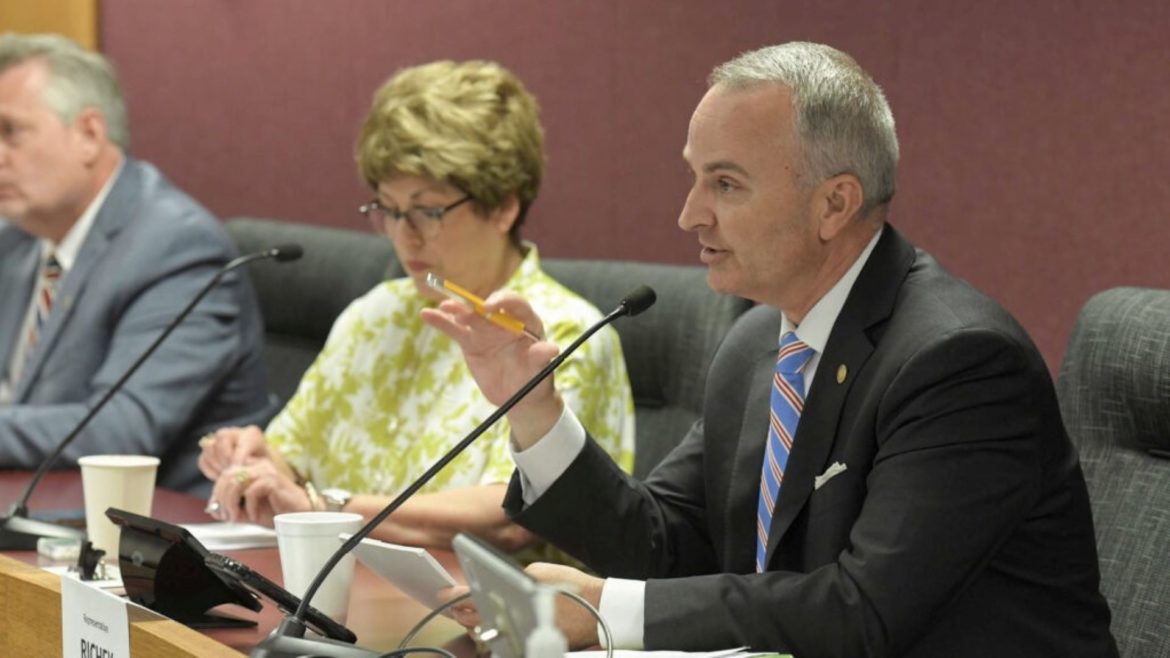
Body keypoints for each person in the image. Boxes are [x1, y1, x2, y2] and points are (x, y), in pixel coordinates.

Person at [426, 42, 1118, 656]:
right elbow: (662, 544)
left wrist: (604, 609)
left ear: (833, 204)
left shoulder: (958, 362)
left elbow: (862, 614)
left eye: (725, 184)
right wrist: (534, 410)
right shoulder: (761, 337)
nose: (689, 213)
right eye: (695, 178)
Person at [198, 60, 635, 554]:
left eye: (428, 210)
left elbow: (512, 516)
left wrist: (327, 507)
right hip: (340, 593)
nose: (404, 235)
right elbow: (293, 461)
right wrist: (256, 466)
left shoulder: (565, 335)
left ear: (504, 206)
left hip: (473, 619)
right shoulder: (375, 315)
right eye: (389, 209)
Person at [0, 33, 271, 494]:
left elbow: (120, 429)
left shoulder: (177, 247)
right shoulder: (17, 239)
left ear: (88, 134)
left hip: (158, 533)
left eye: (10, 132)